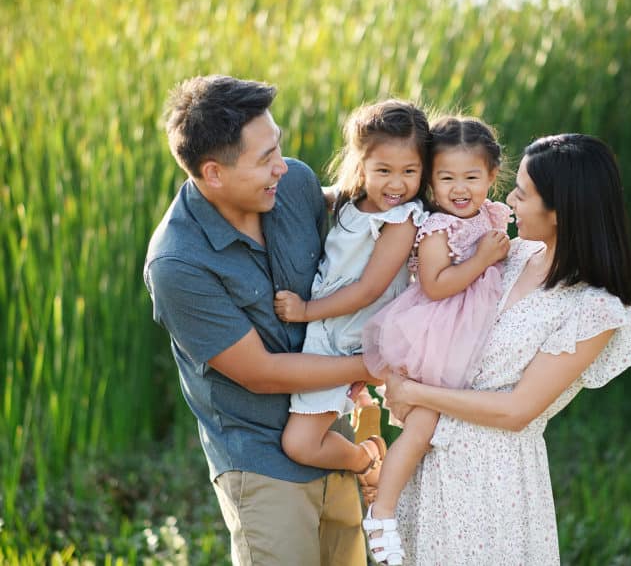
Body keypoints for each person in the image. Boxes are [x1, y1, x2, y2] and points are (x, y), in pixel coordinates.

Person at [143, 75, 381, 566]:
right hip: (262, 466)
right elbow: (262, 371)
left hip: (328, 437)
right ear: (213, 173)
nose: (282, 166)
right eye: (264, 159)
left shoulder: (292, 183)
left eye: (278, 148)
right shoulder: (178, 264)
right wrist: (372, 365)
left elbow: (371, 205)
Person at [383, 133, 631, 565]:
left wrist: (415, 394)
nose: (508, 200)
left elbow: (517, 411)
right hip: (431, 461)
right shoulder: (507, 255)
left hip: (496, 485)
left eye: (523, 194)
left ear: (560, 210)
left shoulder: (594, 308)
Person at [358, 116, 512, 565]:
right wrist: (483, 258)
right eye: (446, 178)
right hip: (435, 336)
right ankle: (381, 511)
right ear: (431, 180)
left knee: (450, 430)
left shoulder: (494, 215)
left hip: (473, 340)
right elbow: (437, 284)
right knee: (424, 425)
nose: (459, 189)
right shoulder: (437, 228)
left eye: (471, 177)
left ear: (491, 177)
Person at [272, 100, 430, 492]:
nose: (397, 184)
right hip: (330, 330)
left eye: (410, 172)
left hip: (347, 339)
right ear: (361, 165)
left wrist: (306, 310)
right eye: (384, 171)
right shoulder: (350, 199)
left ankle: (367, 457)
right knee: (302, 433)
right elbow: (311, 195)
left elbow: (368, 290)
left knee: (299, 443)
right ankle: (362, 414)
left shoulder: (400, 219)